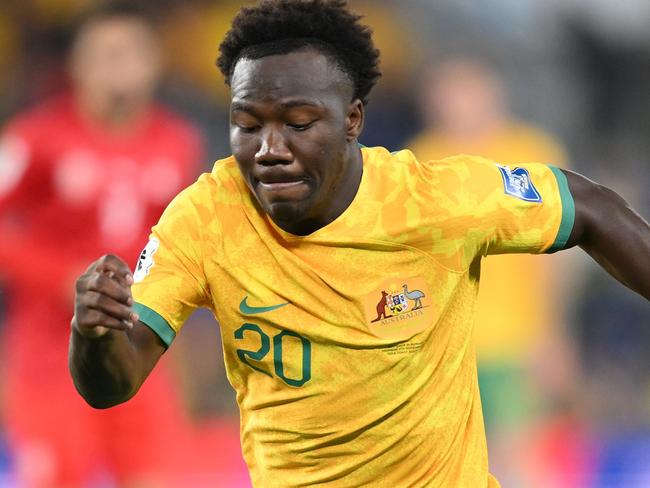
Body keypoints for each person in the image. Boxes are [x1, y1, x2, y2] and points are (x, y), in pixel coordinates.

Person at [69, 1, 650, 486]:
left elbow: (588, 205)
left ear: (351, 120)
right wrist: (93, 334)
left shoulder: (430, 199)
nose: (269, 147)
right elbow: (112, 382)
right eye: (247, 125)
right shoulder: (204, 218)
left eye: (297, 123)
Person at [0, 3, 203, 486]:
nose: (120, 67)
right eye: (106, 54)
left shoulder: (178, 143)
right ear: (77, 64)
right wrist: (58, 276)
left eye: (131, 53)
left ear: (155, 62)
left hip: (140, 351)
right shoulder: (35, 137)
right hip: (51, 358)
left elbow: (187, 244)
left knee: (157, 477)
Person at [406, 57, 575, 484]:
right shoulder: (420, 161)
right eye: (446, 94)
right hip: (440, 343)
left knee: (519, 453)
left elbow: (556, 257)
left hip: (512, 338)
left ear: (492, 93)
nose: (457, 104)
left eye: (467, 91)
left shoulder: (531, 154)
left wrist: (552, 333)